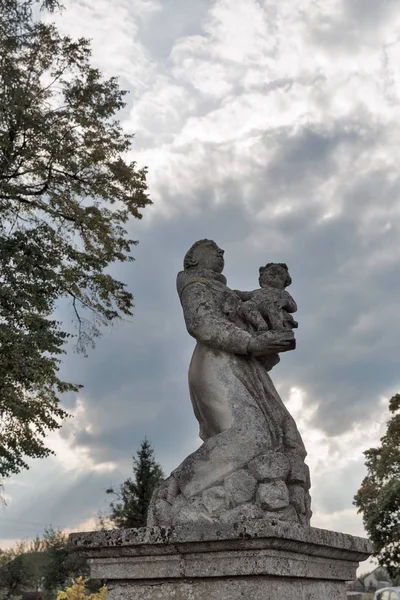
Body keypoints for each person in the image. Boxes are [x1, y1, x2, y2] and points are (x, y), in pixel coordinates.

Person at [236, 262, 298, 334]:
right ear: (262, 277)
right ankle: (260, 324)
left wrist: (286, 303)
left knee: (272, 307)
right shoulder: (256, 292)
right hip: (257, 306)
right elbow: (244, 294)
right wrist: (235, 292)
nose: (274, 277)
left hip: (272, 307)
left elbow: (294, 307)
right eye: (271, 274)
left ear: (285, 283)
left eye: (280, 277)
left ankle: (278, 326)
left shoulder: (282, 293)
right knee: (247, 305)